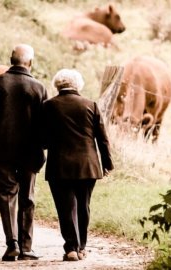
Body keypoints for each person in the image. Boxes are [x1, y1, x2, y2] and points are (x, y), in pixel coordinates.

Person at [0, 44, 47, 261]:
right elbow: (44, 125)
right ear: (31, 63)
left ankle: (12, 244)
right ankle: (27, 247)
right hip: (30, 153)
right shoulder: (38, 87)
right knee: (27, 198)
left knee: (6, 196)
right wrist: (43, 149)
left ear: (10, 60)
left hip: (2, 152)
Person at [41, 69, 114, 261]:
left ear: (57, 85)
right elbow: (102, 139)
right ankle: (82, 247)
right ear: (78, 85)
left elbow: (42, 140)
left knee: (65, 207)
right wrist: (107, 163)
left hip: (59, 165)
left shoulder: (48, 106)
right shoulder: (91, 105)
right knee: (84, 206)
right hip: (88, 165)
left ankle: (71, 248)